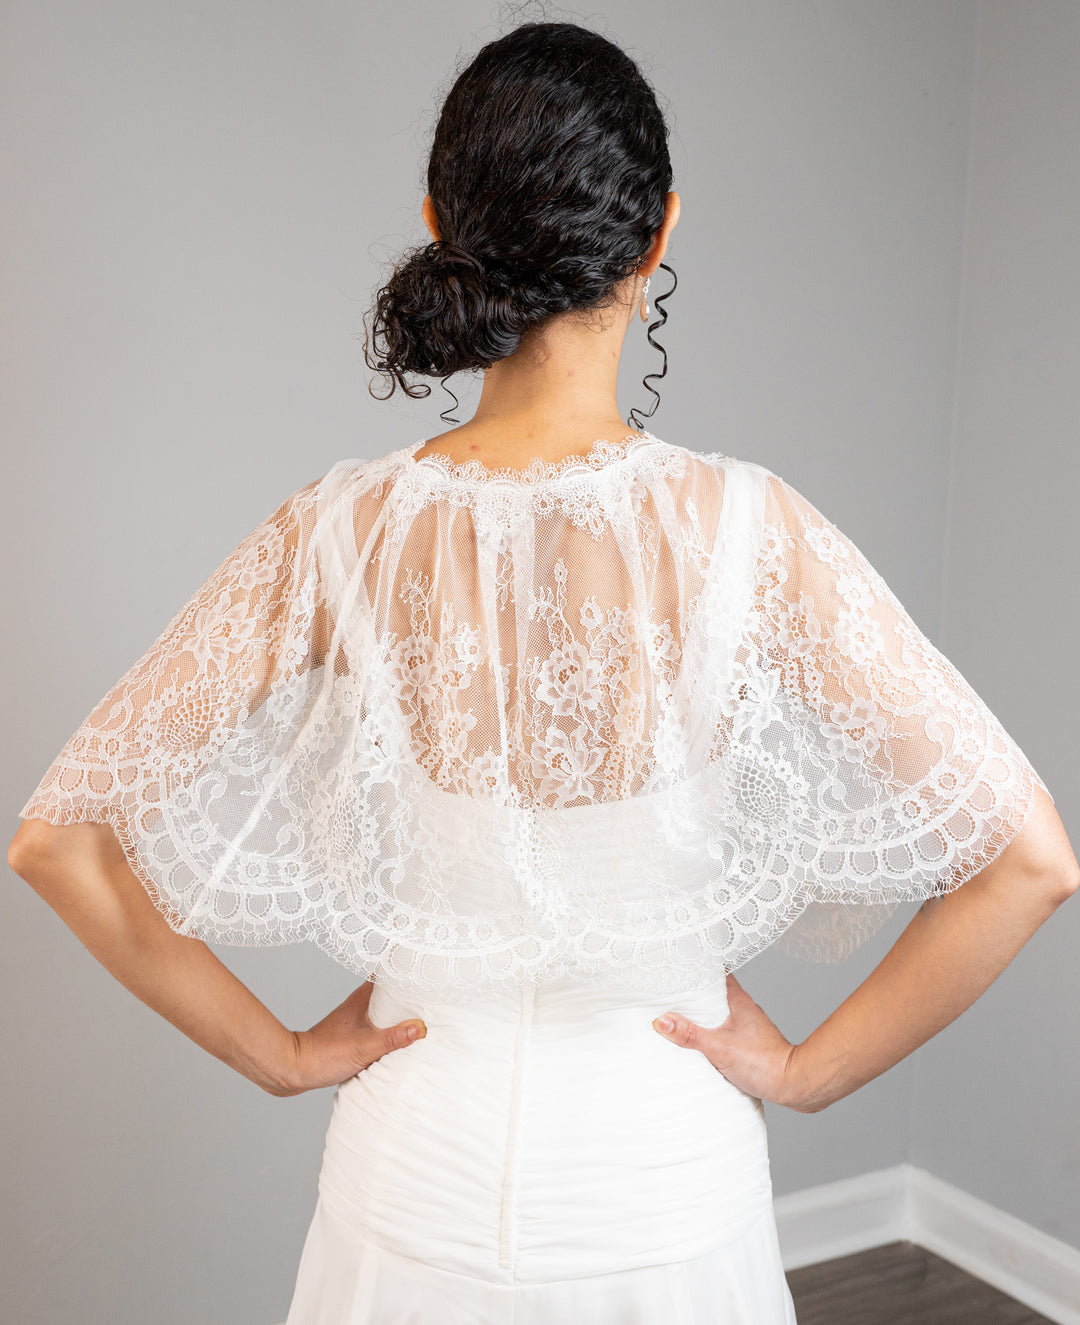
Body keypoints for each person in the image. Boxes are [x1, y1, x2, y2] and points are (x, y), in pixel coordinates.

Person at [8, 19, 1078, 1325]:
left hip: (412, 1182)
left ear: (440, 224)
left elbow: (56, 841)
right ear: (658, 233)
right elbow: (1031, 861)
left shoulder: (335, 531)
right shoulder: (752, 531)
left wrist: (282, 1055)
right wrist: (807, 1072)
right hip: (665, 1195)